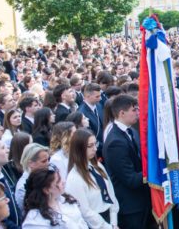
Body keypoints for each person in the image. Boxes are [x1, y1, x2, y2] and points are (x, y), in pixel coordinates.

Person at [102, 95, 153, 229]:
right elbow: (129, 178)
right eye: (134, 110)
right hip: (131, 205)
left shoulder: (131, 131)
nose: (137, 113)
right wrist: (153, 173)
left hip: (142, 198)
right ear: (122, 113)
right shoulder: (115, 142)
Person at [66, 128, 119, 228]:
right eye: (90, 146)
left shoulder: (98, 166)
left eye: (95, 144)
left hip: (110, 219)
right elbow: (86, 211)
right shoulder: (74, 178)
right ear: (79, 148)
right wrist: (107, 227)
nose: (95, 149)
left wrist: (113, 222)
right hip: (95, 224)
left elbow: (110, 193)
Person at [22, 168, 88, 229]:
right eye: (58, 181)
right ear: (47, 190)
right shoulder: (34, 220)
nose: (63, 182)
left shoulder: (65, 199)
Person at [14, 143, 50, 210]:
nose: (48, 164)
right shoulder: (22, 188)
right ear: (31, 163)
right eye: (44, 161)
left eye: (48, 159)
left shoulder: (47, 177)